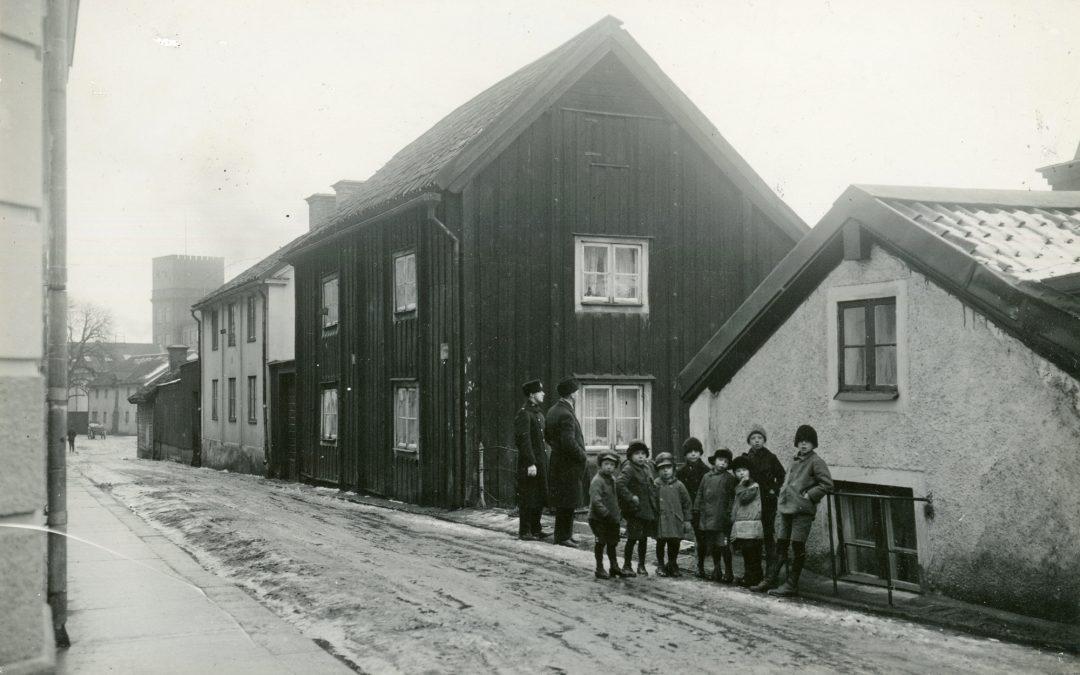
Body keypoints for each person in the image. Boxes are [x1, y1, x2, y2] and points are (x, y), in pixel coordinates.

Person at [754, 424, 833, 597]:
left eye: (808, 442)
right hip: (786, 509)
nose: (804, 445)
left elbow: (827, 484)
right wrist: (781, 495)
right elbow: (786, 481)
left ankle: (791, 584)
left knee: (797, 547)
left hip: (802, 511)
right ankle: (770, 579)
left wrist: (810, 495)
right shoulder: (794, 459)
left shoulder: (816, 461)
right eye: (801, 441)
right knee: (781, 545)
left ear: (814, 444)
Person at [545, 377, 588, 547]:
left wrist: (558, 450)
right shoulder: (566, 413)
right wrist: (582, 456)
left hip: (558, 462)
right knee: (568, 502)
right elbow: (569, 442)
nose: (578, 395)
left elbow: (548, 437)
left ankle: (564, 534)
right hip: (569, 465)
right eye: (576, 392)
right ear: (571, 395)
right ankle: (563, 537)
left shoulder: (553, 410)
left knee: (564, 502)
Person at [740, 424, 785, 571]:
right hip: (751, 502)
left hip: (767, 501)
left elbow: (782, 475)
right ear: (749, 441)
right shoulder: (745, 458)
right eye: (753, 438)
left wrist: (774, 490)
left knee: (767, 534)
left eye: (759, 437)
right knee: (752, 536)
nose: (756, 441)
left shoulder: (771, 457)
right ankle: (754, 572)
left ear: (764, 440)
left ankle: (770, 572)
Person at [514, 378, 550, 541]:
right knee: (528, 496)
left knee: (539, 495)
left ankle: (536, 528)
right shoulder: (524, 413)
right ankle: (525, 531)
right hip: (530, 463)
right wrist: (530, 463)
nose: (543, 394)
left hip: (540, 461)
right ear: (531, 395)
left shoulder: (538, 413)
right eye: (539, 391)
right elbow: (524, 440)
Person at [695, 448, 736, 583]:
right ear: (714, 461)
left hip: (722, 518)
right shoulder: (706, 477)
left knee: (723, 545)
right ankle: (716, 568)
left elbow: (731, 497)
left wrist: (729, 513)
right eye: (720, 460)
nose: (722, 463)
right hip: (707, 517)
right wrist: (697, 509)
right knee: (712, 545)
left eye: (725, 461)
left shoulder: (729, 479)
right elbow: (700, 493)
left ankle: (728, 571)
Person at [616, 440, 656, 577]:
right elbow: (620, 484)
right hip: (634, 511)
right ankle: (627, 565)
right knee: (632, 538)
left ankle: (641, 565)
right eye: (637, 454)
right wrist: (630, 497)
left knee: (644, 539)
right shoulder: (629, 468)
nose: (640, 457)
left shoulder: (647, 468)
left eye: (643, 454)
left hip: (646, 511)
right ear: (630, 455)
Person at [652, 452, 693, 577]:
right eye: (662, 468)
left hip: (675, 520)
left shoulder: (679, 485)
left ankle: (672, 563)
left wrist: (687, 520)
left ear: (673, 469)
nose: (665, 471)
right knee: (660, 543)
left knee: (674, 543)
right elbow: (651, 501)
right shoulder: (655, 485)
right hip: (660, 520)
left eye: (668, 468)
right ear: (658, 470)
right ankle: (660, 565)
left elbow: (686, 503)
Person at [676, 437, 710, 577]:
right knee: (677, 535)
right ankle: (672, 562)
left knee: (701, 538)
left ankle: (700, 565)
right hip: (685, 508)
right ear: (685, 454)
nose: (693, 454)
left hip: (700, 509)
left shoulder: (706, 471)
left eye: (696, 451)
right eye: (690, 452)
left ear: (700, 453)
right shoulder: (681, 472)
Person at [729, 455, 764, 587]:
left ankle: (755, 577)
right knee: (747, 553)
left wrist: (739, 487)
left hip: (752, 524)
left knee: (753, 553)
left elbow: (744, 498)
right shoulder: (741, 486)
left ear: (749, 471)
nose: (741, 473)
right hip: (743, 525)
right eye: (738, 471)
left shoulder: (753, 486)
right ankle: (748, 576)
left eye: (744, 470)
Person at [589, 451, 624, 579]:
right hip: (598, 519)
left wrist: (617, 514)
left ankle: (614, 566)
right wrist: (606, 514)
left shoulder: (613, 480)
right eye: (606, 464)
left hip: (611, 518)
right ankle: (599, 567)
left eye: (612, 464)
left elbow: (614, 499)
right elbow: (595, 501)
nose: (609, 467)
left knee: (612, 542)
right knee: (601, 542)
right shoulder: (597, 481)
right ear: (600, 465)